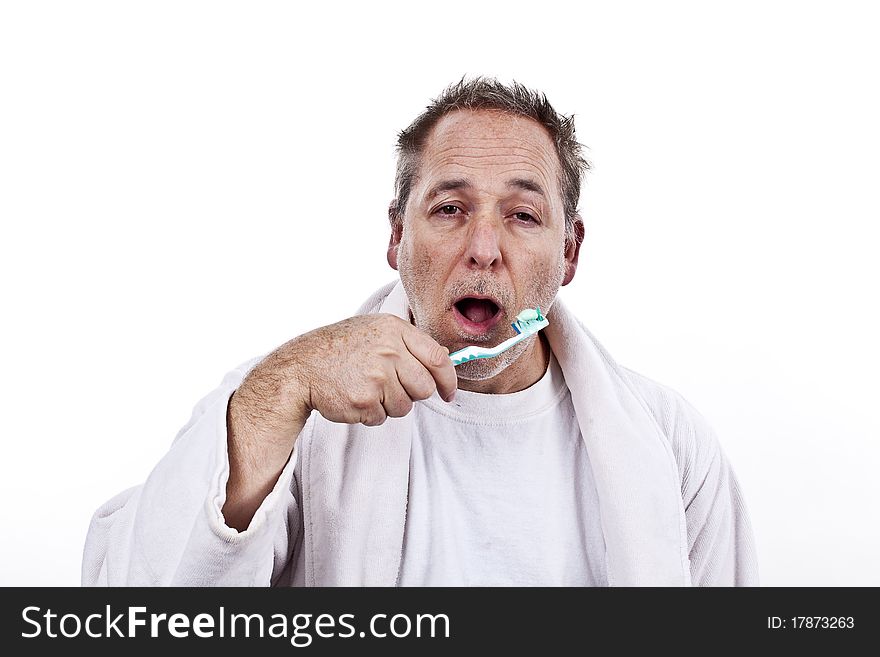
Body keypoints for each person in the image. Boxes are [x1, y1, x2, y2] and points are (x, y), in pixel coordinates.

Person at [82, 77, 759, 587]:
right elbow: (131, 599)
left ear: (570, 251)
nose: (484, 248)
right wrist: (282, 385)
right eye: (450, 208)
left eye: (523, 215)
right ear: (398, 235)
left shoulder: (672, 445)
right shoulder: (292, 405)